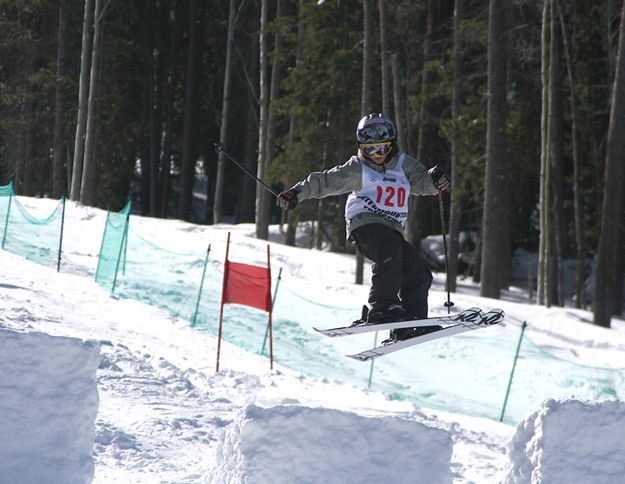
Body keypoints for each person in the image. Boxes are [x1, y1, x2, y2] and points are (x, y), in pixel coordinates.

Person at [276, 113, 450, 342]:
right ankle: (382, 307)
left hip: (392, 229)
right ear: (361, 148)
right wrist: (296, 193)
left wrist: (435, 181)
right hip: (364, 224)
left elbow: (423, 183)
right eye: (370, 150)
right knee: (389, 251)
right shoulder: (359, 168)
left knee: (417, 271)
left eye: (382, 149)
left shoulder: (404, 165)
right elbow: (326, 181)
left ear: (392, 144)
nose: (377, 156)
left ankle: (412, 321)